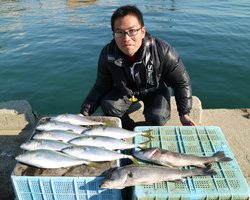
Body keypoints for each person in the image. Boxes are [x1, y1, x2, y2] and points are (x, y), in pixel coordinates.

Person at [80, 5, 196, 129]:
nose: (126, 38)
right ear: (113, 34)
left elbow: (181, 82)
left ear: (142, 32)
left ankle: (146, 121)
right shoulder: (108, 54)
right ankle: (130, 127)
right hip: (126, 91)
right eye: (119, 32)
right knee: (109, 106)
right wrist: (84, 113)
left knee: (158, 117)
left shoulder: (163, 51)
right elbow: (101, 85)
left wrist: (184, 114)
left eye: (132, 31)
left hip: (155, 90)